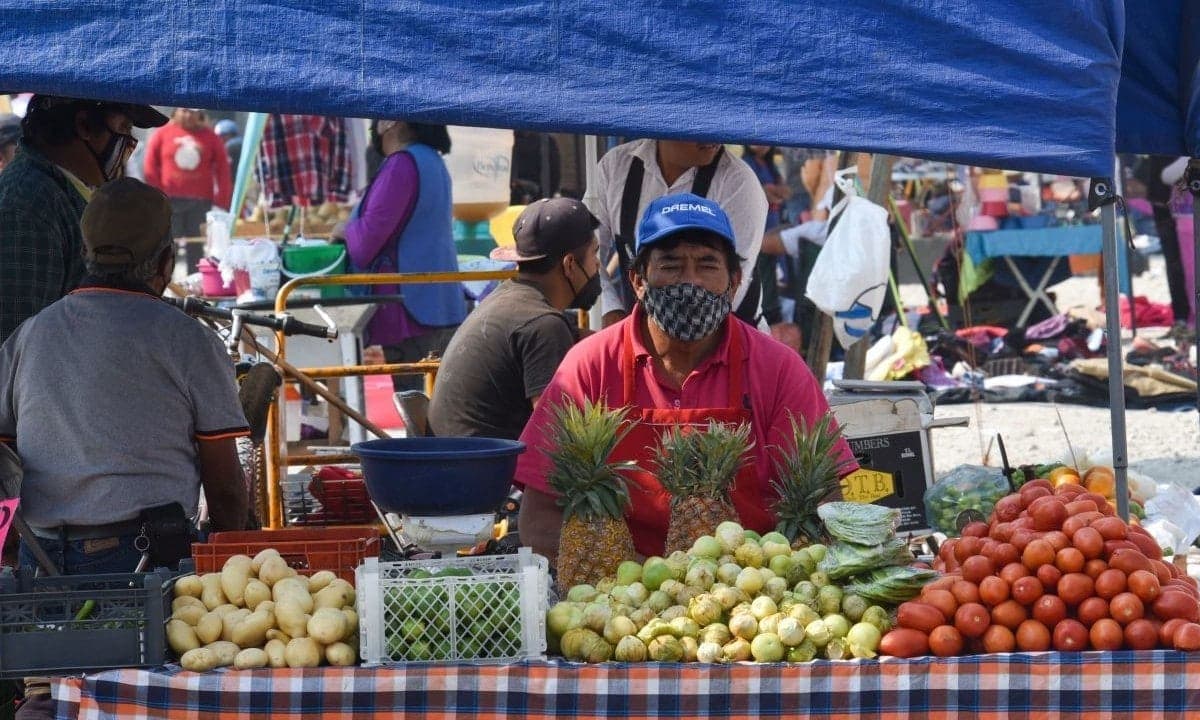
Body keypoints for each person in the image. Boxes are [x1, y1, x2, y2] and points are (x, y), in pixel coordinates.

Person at [0, 178, 251, 720]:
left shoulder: (27, 338)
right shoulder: (187, 340)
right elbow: (226, 488)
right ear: (164, 263)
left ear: (86, 251)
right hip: (147, 568)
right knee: (148, 701)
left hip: (43, 570)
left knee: (54, 699)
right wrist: (240, 575)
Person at [513, 193, 856, 559]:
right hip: (618, 594)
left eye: (707, 265)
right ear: (638, 281)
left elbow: (825, 506)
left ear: (734, 282)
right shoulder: (589, 366)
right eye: (671, 265)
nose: (689, 282)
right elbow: (538, 521)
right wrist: (640, 579)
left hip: (754, 593)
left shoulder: (779, 369)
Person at [429, 198, 601, 440]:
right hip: (484, 471)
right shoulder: (543, 324)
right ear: (570, 264)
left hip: (454, 460)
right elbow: (560, 436)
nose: (598, 265)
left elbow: (581, 340)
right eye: (594, 253)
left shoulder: (509, 297)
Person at [0, 95, 167, 343]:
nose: (128, 145)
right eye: (123, 128)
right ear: (84, 125)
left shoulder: (64, 189)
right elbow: (14, 344)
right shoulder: (28, 203)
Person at [336, 120, 467, 391]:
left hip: (410, 310)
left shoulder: (401, 165)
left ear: (388, 124)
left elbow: (364, 245)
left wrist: (344, 230)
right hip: (438, 302)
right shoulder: (433, 161)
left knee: (417, 408)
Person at [587, 139, 768, 329]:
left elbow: (732, 291)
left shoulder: (739, 183)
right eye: (700, 120)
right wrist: (610, 310)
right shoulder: (615, 167)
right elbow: (584, 252)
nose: (714, 136)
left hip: (729, 340)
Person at [742, 145, 801, 351]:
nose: (761, 145)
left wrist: (774, 192)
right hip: (759, 233)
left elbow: (783, 191)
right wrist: (772, 192)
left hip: (773, 227)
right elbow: (764, 193)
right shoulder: (746, 165)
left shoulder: (769, 166)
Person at [143, 108, 233, 239]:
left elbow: (223, 170)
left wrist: (221, 203)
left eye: (193, 112)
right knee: (168, 244)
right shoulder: (161, 133)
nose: (189, 115)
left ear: (200, 114)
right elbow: (150, 166)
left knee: (197, 246)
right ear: (176, 111)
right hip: (169, 201)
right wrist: (157, 196)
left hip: (201, 203)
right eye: (184, 111)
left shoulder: (211, 137)